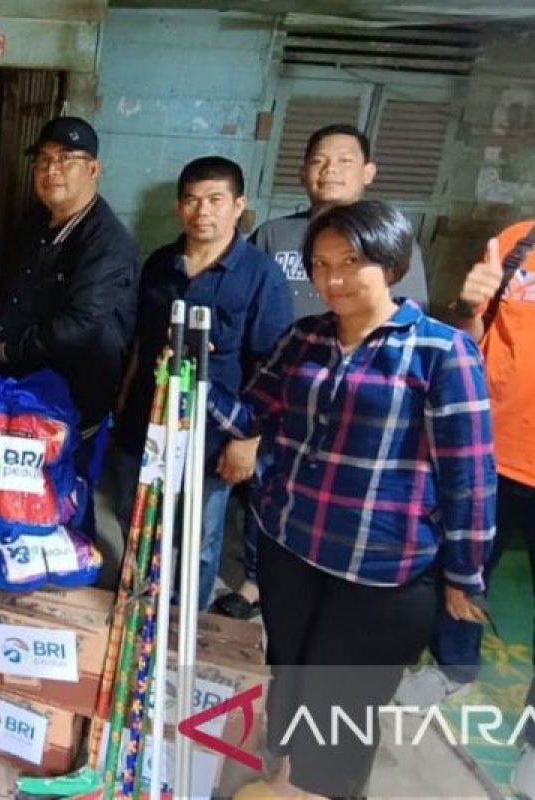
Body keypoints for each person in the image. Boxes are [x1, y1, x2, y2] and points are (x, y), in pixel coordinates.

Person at [215, 201, 494, 800]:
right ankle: (285, 776)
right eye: (320, 264)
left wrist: (463, 574)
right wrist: (190, 380)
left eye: (351, 262)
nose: (332, 279)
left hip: (380, 570)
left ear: (391, 264)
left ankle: (321, 789)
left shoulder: (440, 352)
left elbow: (469, 476)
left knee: (344, 695)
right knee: (291, 672)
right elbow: (250, 413)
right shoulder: (305, 337)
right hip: (292, 545)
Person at [214, 123, 433, 619]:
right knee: (270, 493)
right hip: (283, 390)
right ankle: (257, 580)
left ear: (369, 173)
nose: (328, 170)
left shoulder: (395, 245)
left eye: (344, 161)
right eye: (318, 160)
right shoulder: (275, 233)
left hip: (356, 403)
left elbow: (405, 322)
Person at [394, 219, 535, 796]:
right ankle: (452, 667)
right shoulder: (517, 241)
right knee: (461, 569)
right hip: (490, 449)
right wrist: (468, 306)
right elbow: (471, 335)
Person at [108, 156, 291, 600]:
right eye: (191, 200)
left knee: (198, 544)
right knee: (139, 530)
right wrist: (120, 409)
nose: (202, 211)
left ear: (238, 205)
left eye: (215, 200)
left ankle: (187, 629)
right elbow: (139, 344)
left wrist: (249, 442)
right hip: (145, 427)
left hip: (213, 438)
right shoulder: (159, 265)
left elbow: (275, 369)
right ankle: (138, 618)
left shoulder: (260, 276)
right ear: (178, 207)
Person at [0, 116, 136, 479]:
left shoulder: (106, 243)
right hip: (24, 389)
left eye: (65, 159)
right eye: (43, 160)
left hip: (71, 400)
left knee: (64, 497)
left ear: (93, 168)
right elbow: (13, 283)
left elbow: (79, 325)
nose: (51, 170)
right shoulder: (34, 222)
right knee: (17, 493)